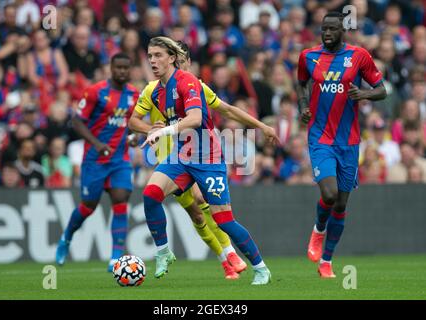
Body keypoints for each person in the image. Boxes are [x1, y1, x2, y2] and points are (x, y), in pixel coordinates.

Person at [129, 40, 278, 280]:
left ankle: (261, 268)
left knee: (224, 220)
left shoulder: (189, 82)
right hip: (180, 157)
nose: (152, 61)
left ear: (171, 58)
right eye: (149, 56)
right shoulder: (156, 91)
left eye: (158, 55)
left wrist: (262, 126)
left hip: (208, 158)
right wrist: (150, 129)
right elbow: (134, 121)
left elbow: (198, 118)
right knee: (151, 194)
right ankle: (163, 251)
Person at [296, 12, 387, 278]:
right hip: (320, 137)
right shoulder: (308, 56)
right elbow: (301, 83)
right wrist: (303, 105)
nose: (327, 33)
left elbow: (382, 89)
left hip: (349, 140)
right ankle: (317, 231)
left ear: (342, 31)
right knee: (330, 194)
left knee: (341, 204)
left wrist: (365, 94)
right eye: (324, 29)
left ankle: (326, 261)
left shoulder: (358, 56)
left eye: (332, 29)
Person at [55, 53, 139, 272]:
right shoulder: (95, 91)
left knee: (121, 199)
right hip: (95, 160)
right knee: (89, 206)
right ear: (110, 68)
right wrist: (97, 143)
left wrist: (133, 136)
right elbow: (76, 121)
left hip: (120, 159)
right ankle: (66, 237)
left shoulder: (134, 94)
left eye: (125, 68)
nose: (122, 71)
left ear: (129, 70)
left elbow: (132, 124)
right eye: (118, 67)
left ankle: (115, 258)